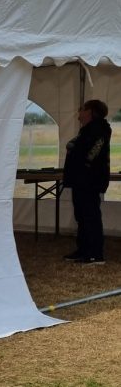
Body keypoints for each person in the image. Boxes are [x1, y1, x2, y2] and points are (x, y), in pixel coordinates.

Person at [63, 98, 112, 265]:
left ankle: (95, 254)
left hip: (89, 180)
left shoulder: (99, 129)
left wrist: (82, 166)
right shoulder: (87, 130)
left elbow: (93, 153)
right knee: (82, 215)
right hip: (81, 180)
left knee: (90, 216)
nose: (79, 112)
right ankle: (84, 249)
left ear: (91, 112)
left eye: (82, 109)